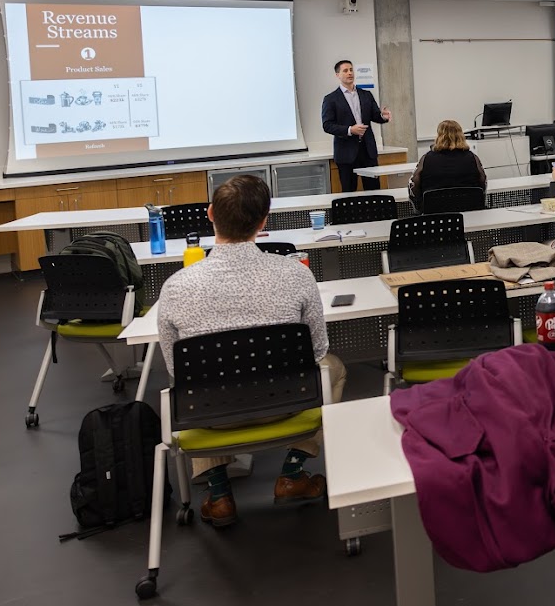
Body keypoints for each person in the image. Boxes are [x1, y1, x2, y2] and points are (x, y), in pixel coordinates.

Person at [156, 174, 346, 527]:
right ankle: (292, 473)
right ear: (264, 222)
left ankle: (218, 493)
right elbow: (318, 350)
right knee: (332, 367)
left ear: (210, 214)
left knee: (192, 382)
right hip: (287, 404)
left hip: (213, 414)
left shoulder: (176, 287)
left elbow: (174, 368)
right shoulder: (296, 275)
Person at [321, 60, 390, 193]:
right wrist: (349, 130)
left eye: (351, 70)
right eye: (345, 70)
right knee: (349, 192)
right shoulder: (331, 99)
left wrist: (383, 117)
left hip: (367, 150)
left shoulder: (366, 95)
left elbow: (376, 116)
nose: (350, 73)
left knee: (374, 190)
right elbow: (327, 125)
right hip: (346, 152)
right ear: (337, 75)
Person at [407, 119, 487, 210]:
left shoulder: (426, 159)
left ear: (439, 136)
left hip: (435, 214)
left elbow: (414, 185)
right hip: (471, 211)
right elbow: (483, 182)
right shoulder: (473, 158)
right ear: (461, 136)